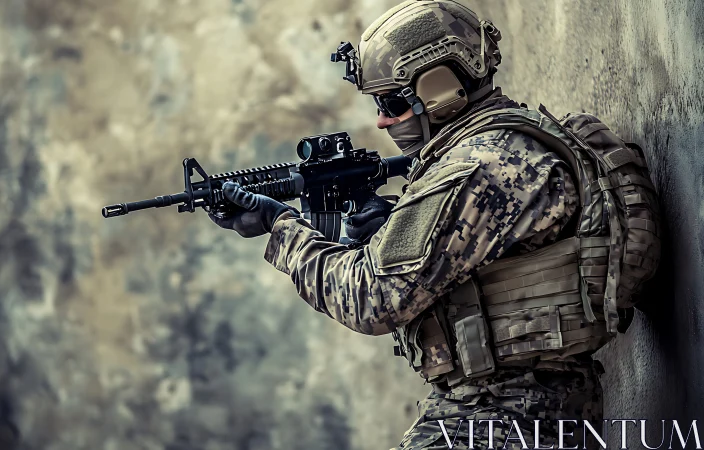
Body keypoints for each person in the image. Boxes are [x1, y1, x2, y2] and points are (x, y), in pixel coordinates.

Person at [208, 1, 661, 448]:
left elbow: (370, 299)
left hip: (501, 416)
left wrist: (282, 228)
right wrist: (387, 228)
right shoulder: (509, 143)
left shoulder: (478, 166)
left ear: (438, 91)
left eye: (390, 103)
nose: (381, 120)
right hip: (513, 409)